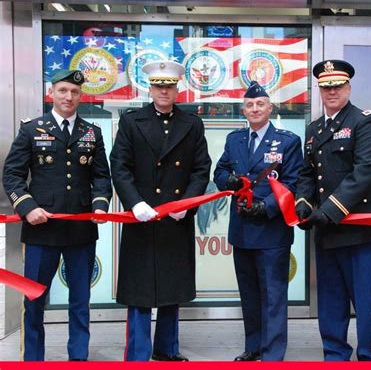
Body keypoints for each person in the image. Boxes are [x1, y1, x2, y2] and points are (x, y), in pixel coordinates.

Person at [2, 70, 112, 361]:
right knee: (34, 300)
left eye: (75, 92)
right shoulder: (31, 129)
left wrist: (100, 205)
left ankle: (78, 358)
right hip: (40, 231)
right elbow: (12, 174)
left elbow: (101, 177)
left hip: (81, 233)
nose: (69, 97)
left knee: (80, 301)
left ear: (81, 96)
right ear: (52, 92)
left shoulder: (92, 132)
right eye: (63, 91)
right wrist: (27, 207)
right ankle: (34, 361)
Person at [110, 60, 211, 361]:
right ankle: (139, 354)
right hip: (141, 217)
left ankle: (167, 349)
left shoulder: (192, 124)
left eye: (168, 85)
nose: (163, 90)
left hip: (175, 218)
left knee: (172, 288)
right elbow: (120, 166)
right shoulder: (131, 121)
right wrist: (135, 202)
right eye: (158, 85)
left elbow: (201, 169)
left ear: (177, 87)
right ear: (150, 88)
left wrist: (187, 204)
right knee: (139, 291)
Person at [295, 60, 371, 361]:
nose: (331, 91)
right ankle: (334, 358)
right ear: (319, 89)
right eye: (326, 86)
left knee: (365, 304)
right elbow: (307, 174)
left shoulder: (365, 122)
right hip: (327, 233)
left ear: (348, 87)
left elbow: (365, 172)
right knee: (331, 304)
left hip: (361, 233)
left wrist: (330, 209)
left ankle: (369, 360)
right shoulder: (314, 129)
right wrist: (303, 204)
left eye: (337, 86)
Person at [214, 81, 303, 361]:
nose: (255, 109)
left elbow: (292, 183)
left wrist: (267, 207)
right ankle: (253, 347)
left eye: (260, 104)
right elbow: (220, 169)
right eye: (250, 105)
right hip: (241, 229)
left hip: (271, 230)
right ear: (244, 110)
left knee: (274, 296)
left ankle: (273, 353)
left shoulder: (287, 141)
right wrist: (226, 180)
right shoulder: (235, 140)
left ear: (270, 108)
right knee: (250, 294)